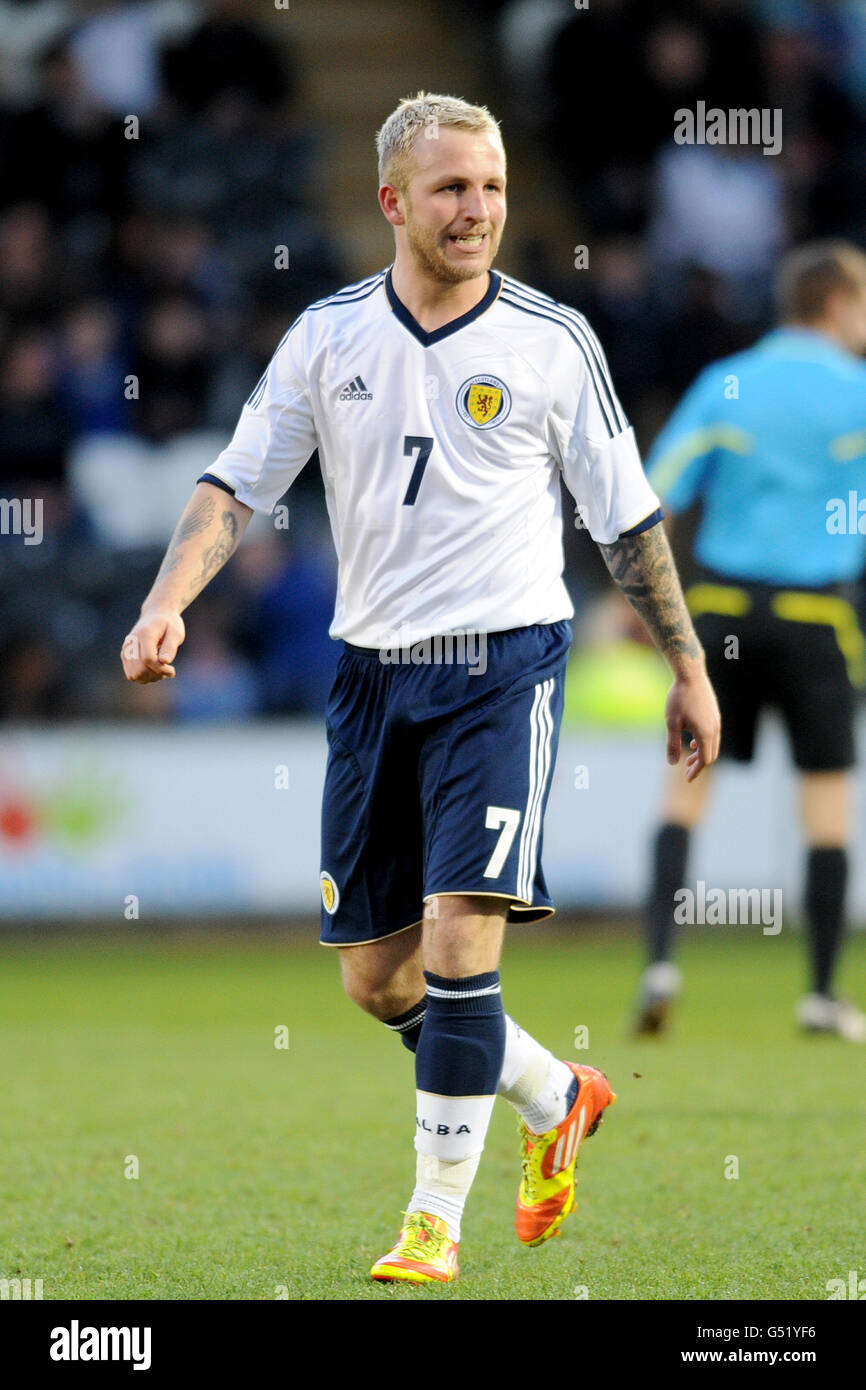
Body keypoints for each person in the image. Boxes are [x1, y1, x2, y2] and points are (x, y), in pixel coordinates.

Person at [122, 93, 720, 1284]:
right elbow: (237, 483)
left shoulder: (551, 339)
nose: (477, 209)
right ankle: (554, 1093)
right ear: (392, 201)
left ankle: (430, 1222)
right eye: (451, 188)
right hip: (371, 676)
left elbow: (625, 519)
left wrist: (689, 666)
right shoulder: (327, 335)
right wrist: (165, 599)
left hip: (503, 667)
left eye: (491, 186)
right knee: (374, 977)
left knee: (457, 938)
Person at [635, 240, 866, 1042]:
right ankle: (822, 994)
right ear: (837, 302)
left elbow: (652, 499)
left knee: (685, 793)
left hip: (720, 614)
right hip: (819, 618)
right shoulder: (858, 391)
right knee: (825, 808)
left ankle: (660, 966)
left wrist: (642, 606)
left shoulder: (725, 383)